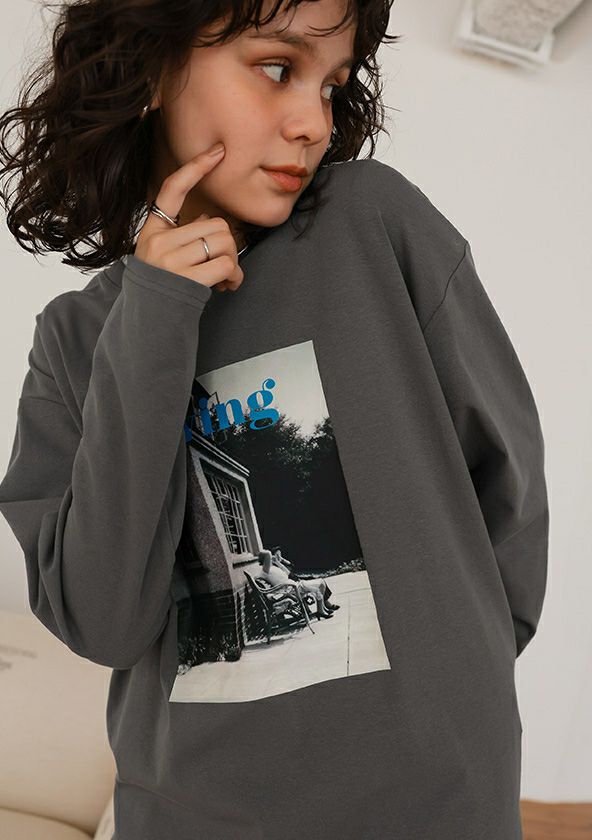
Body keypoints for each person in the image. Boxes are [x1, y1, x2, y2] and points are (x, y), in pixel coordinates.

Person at [0, 0, 549, 837]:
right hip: (192, 814)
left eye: (331, 85)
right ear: (154, 68)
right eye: (277, 68)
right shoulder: (77, 338)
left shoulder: (373, 224)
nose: (313, 123)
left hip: (437, 797)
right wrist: (155, 315)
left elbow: (506, 474)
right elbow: (106, 623)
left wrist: (462, 678)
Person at [258, 548, 338, 618]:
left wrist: (277, 562)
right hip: (291, 590)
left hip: (294, 586)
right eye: (269, 558)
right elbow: (267, 554)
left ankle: (322, 609)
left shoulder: (273, 568)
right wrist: (270, 554)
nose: (271, 559)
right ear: (265, 560)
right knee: (320, 584)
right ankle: (321, 610)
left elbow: (288, 573)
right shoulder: (265, 571)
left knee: (321, 583)